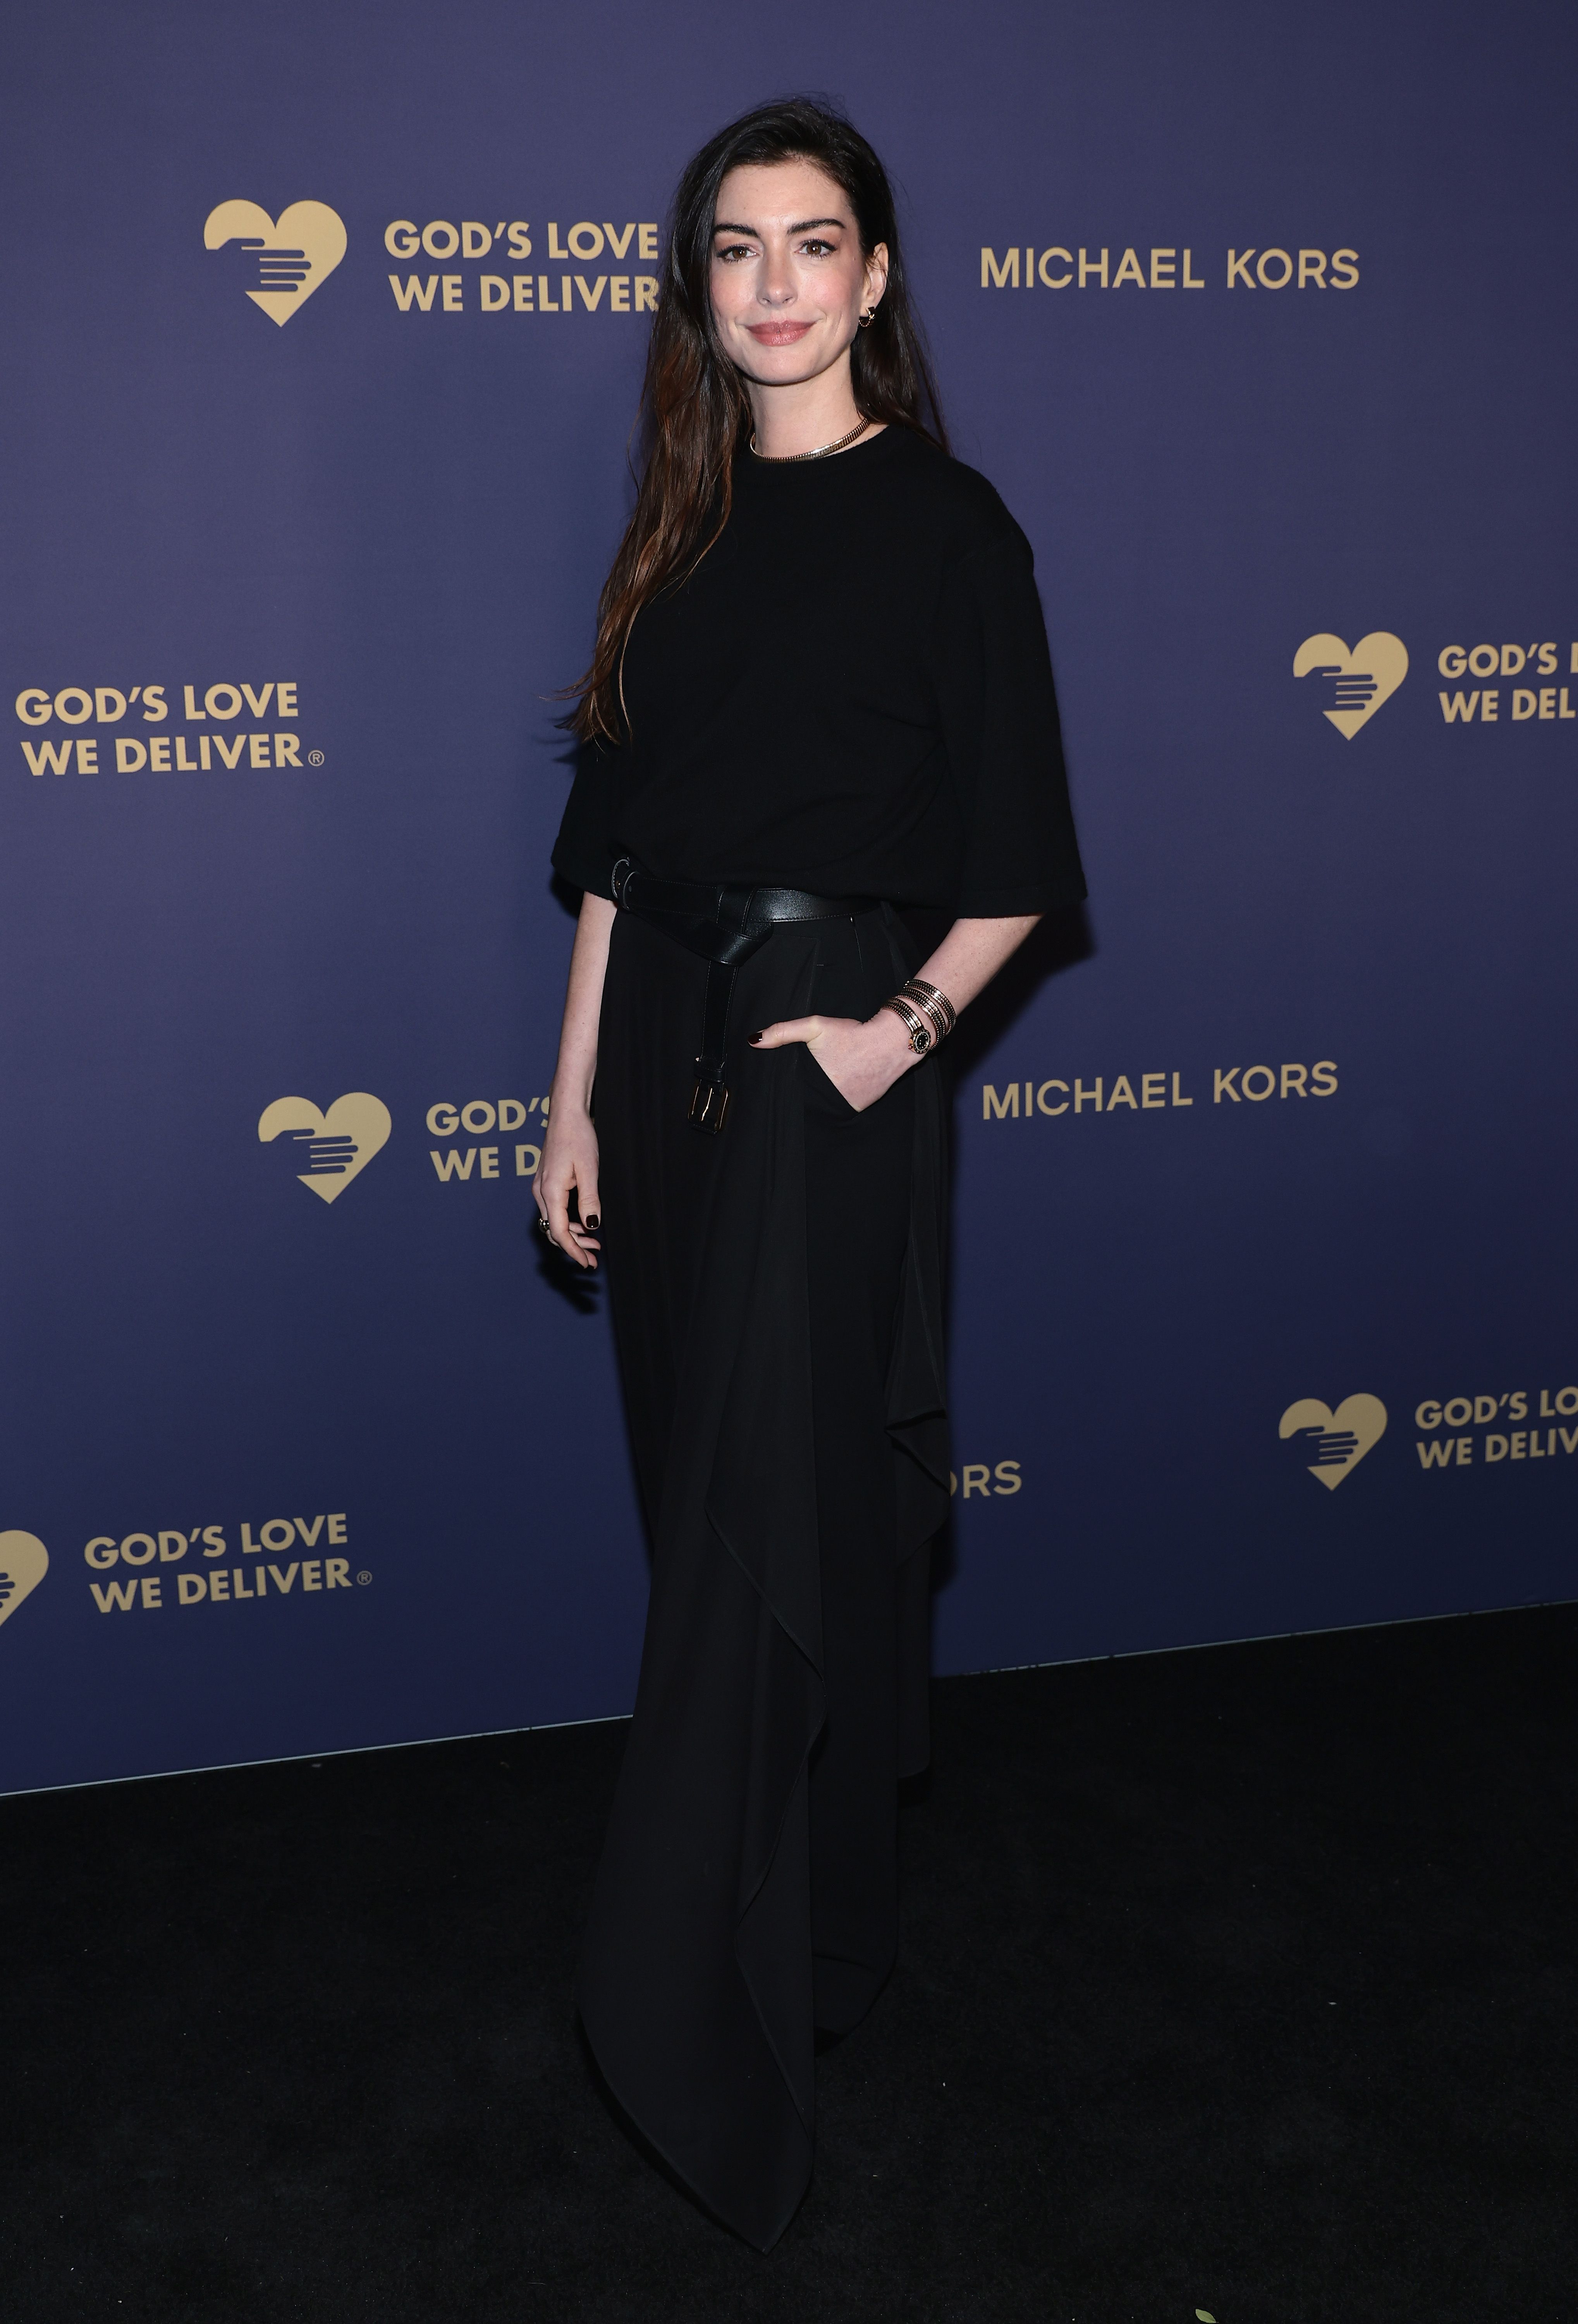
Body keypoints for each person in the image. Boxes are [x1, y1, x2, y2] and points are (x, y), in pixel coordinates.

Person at [537, 97, 1085, 2248]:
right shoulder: (675, 530)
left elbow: (1020, 870)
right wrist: (570, 1101)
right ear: (700, 289)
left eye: (815, 241)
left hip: (817, 1054)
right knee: (717, 1493)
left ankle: (700, 2014)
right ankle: (831, 1922)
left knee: (770, 1523)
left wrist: (891, 1037)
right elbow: (613, 858)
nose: (775, 282)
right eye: (736, 247)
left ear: (875, 277)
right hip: (660, 1041)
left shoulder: (952, 529)